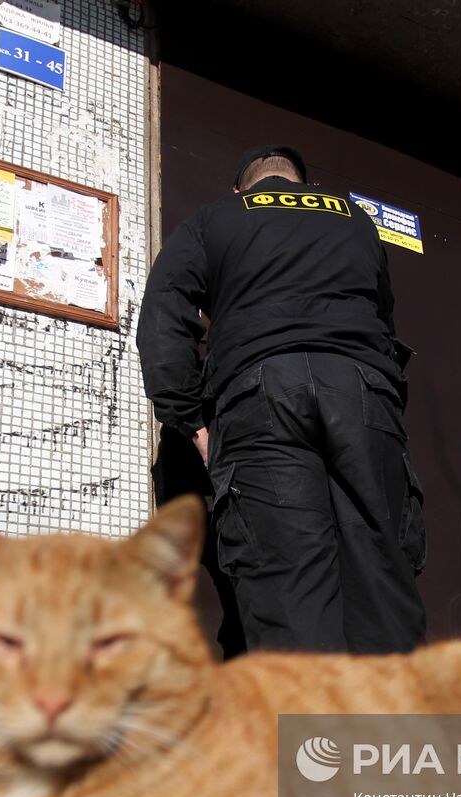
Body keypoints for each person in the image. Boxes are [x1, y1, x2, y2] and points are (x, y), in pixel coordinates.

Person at [137, 145, 427, 654]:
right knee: (381, 567)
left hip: (260, 395)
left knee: (289, 583)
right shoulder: (355, 221)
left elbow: (163, 316)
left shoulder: (215, 218)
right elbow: (384, 318)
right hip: (362, 391)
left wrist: (190, 420)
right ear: (302, 185)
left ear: (241, 189)